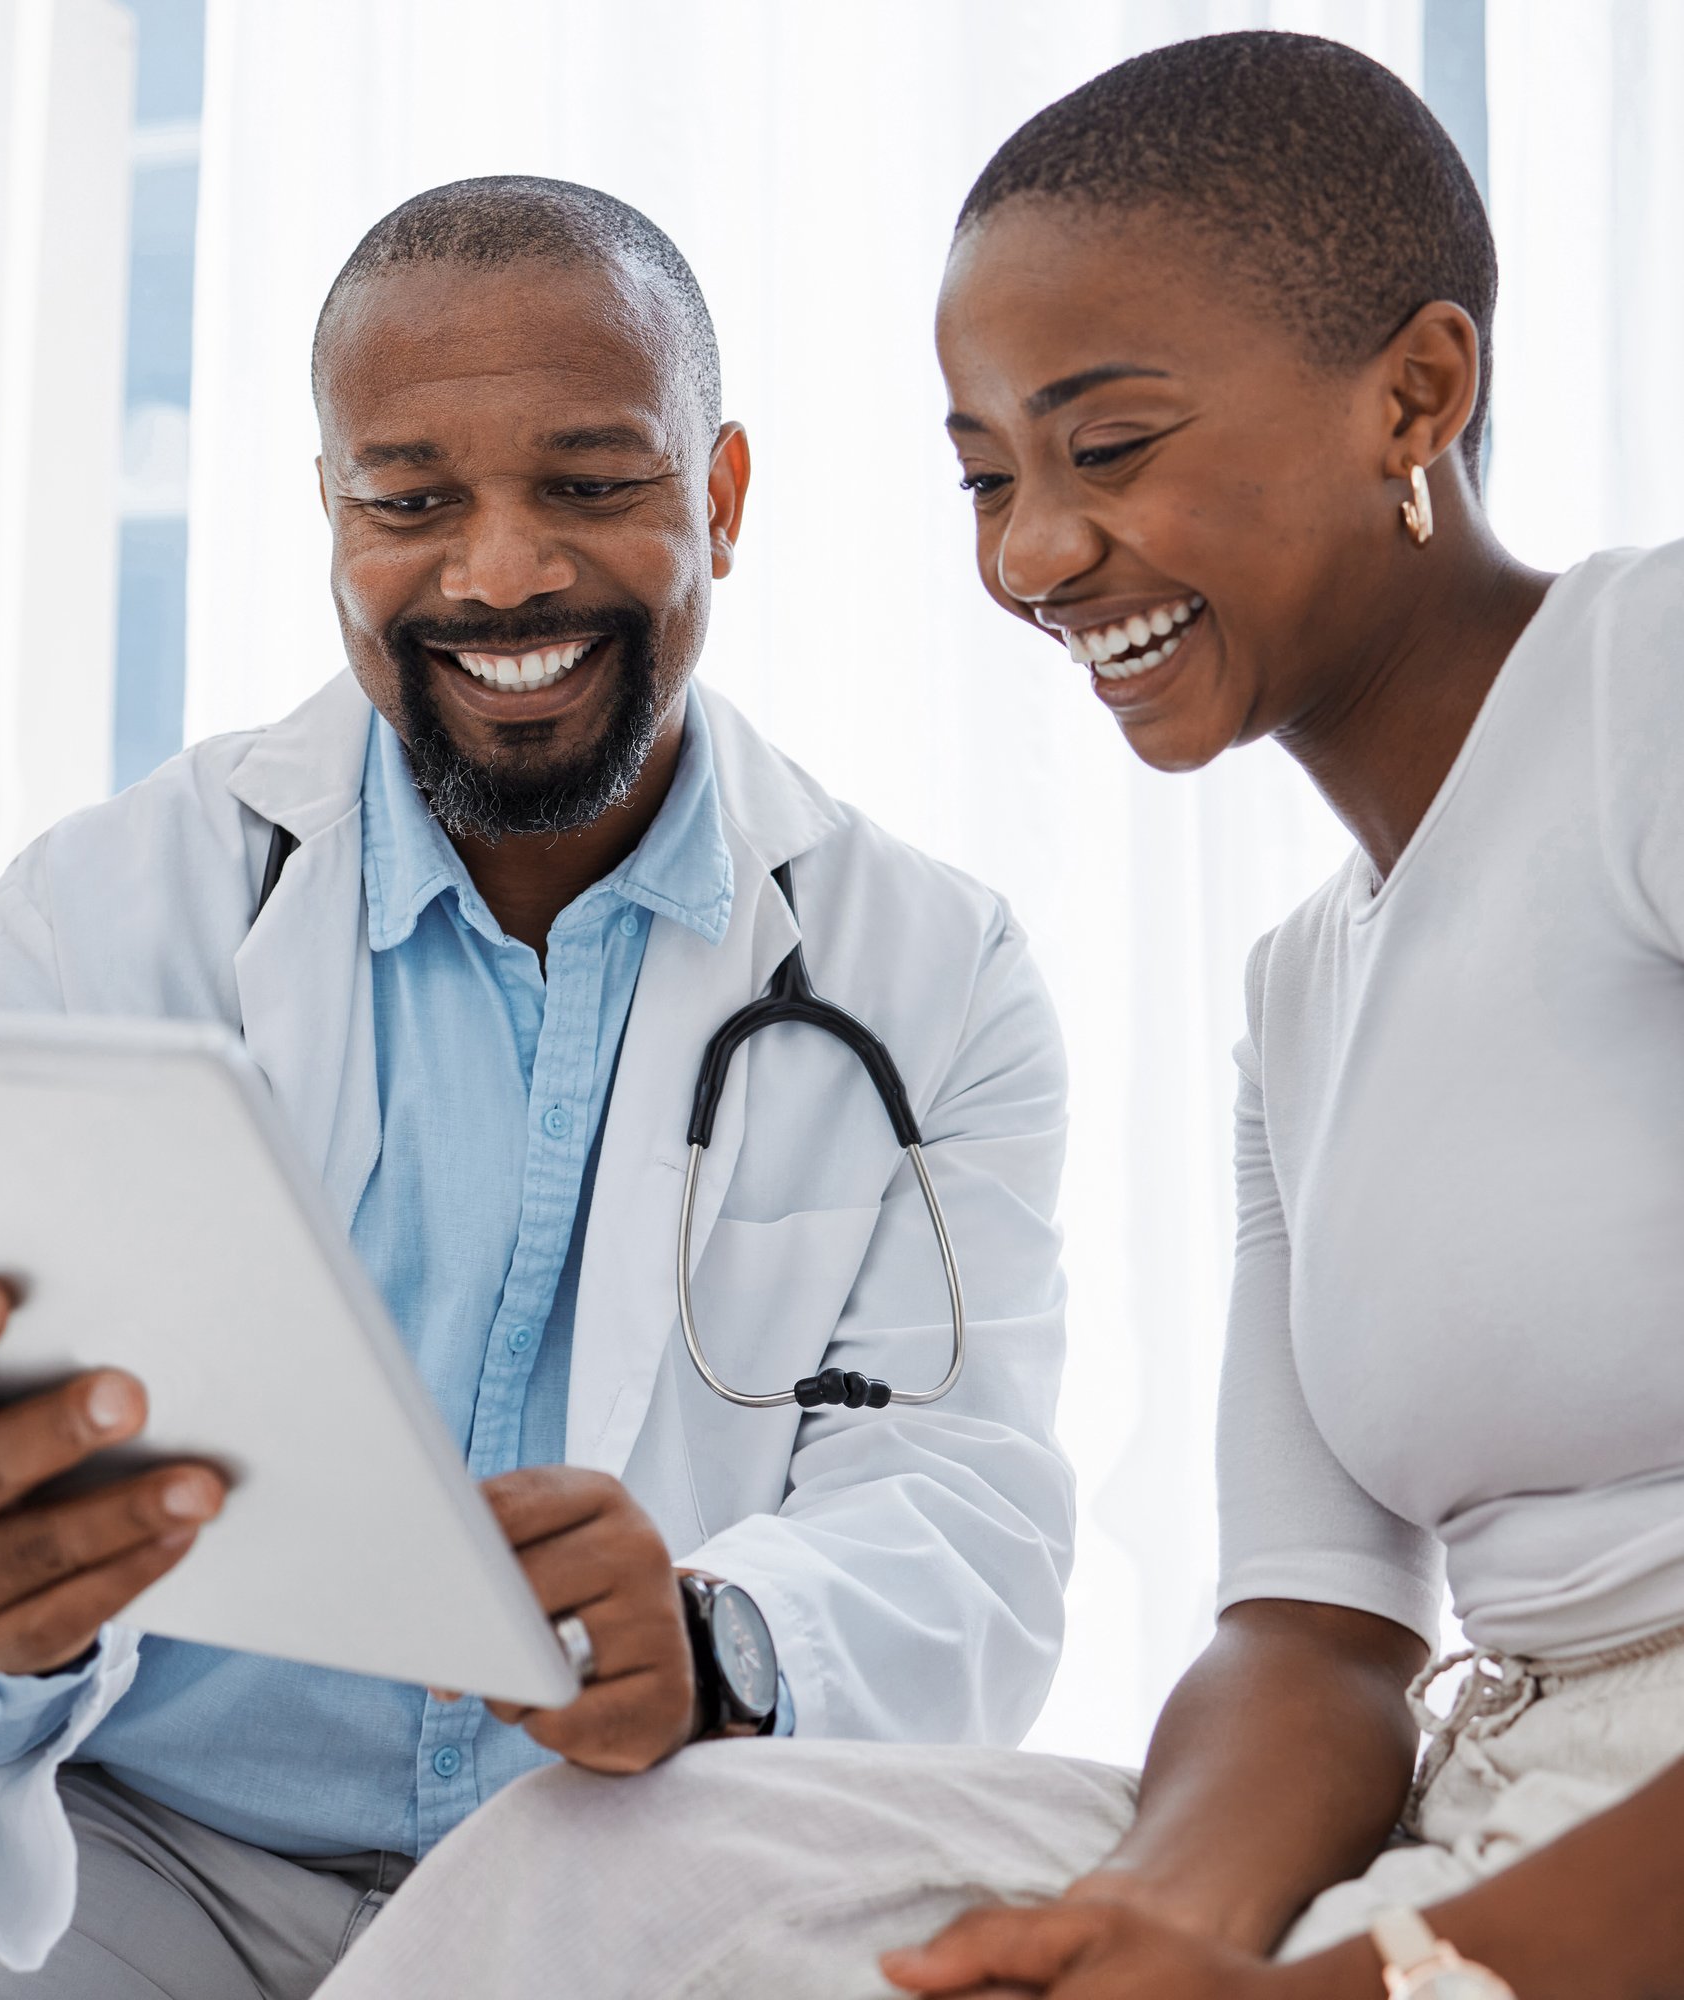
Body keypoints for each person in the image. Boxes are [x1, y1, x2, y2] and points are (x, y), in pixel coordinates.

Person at [306, 31, 1684, 2000]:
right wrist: (1159, 1925)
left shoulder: (1650, 684)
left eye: (1107, 449)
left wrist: (1364, 1984)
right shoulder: (1305, 990)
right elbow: (1313, 1630)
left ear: (1417, 390)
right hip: (1482, 1806)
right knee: (627, 1864)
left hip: (1606, 1873)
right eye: (985, 478)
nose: (1032, 555)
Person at [0, 177, 1077, 1996]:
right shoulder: (97, 918)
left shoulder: (929, 967)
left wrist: (718, 1635)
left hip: (626, 1873)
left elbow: (961, 1499)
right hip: (149, 1857)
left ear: (724, 498)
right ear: (331, 512)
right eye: (411, 498)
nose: (503, 570)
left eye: (594, 485)